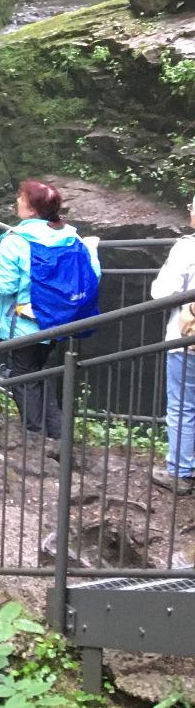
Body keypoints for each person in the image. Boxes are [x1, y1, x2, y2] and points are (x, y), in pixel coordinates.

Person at [0, 179, 101, 445]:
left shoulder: (16, 241)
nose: (16, 201)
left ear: (31, 210)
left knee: (22, 376)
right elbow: (92, 275)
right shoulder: (71, 237)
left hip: (27, 322)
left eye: (21, 199)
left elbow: (4, 285)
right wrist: (93, 250)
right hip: (60, 322)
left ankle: (35, 437)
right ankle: (58, 435)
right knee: (37, 371)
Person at [150, 194, 195, 493]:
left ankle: (180, 471)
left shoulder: (187, 249)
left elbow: (163, 292)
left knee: (182, 406)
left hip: (187, 341)